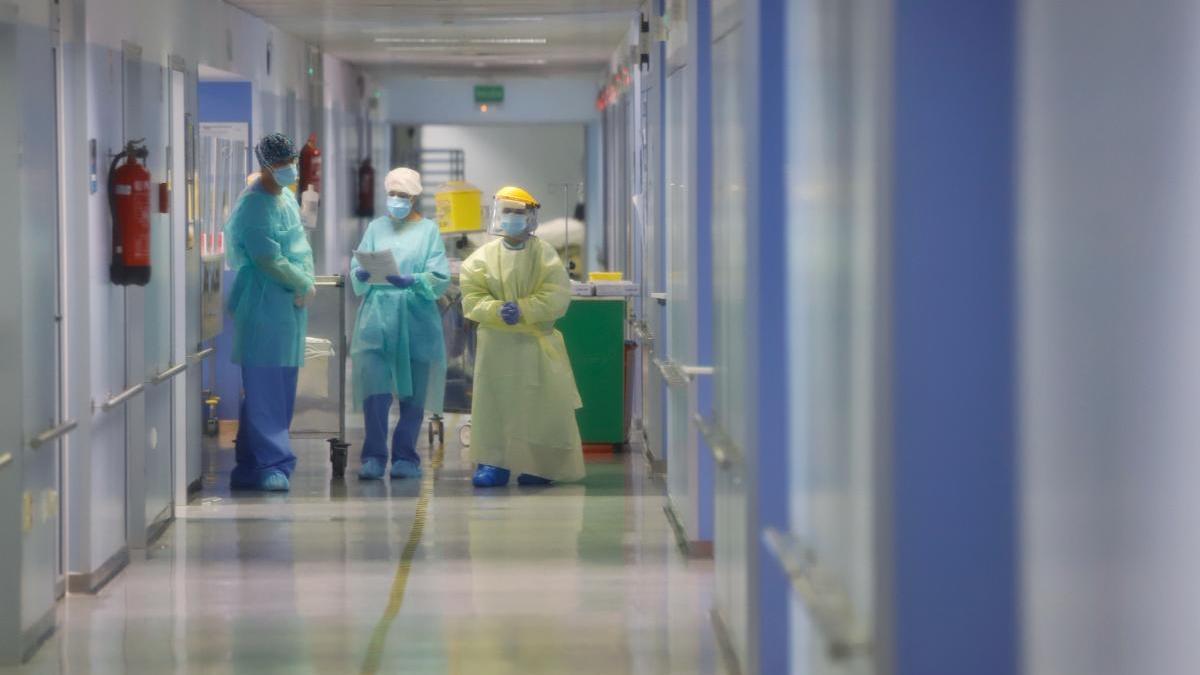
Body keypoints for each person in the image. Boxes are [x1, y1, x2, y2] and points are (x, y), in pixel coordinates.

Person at [460, 186, 585, 487]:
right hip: (496, 345)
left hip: (533, 342)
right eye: (507, 212)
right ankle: (494, 463)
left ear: (530, 217)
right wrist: (495, 309)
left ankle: (539, 466)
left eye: (519, 212)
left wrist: (525, 309)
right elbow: (472, 297)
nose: (513, 218)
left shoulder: (544, 255)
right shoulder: (483, 258)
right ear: (497, 215)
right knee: (494, 405)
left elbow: (557, 295)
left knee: (538, 406)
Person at [224, 133, 315, 491]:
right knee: (264, 393)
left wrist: (303, 282)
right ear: (264, 166)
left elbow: (298, 244)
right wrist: (300, 283)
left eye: (291, 162)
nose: (289, 170)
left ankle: (249, 465)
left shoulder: (286, 199)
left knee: (278, 389)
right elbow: (267, 258)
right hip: (264, 305)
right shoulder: (252, 207)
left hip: (288, 308)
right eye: (281, 165)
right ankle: (273, 464)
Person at [350, 168, 450, 480]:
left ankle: (406, 456)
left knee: (413, 396)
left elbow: (439, 277)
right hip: (377, 318)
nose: (397, 201)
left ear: (415, 197)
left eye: (404, 196)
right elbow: (357, 264)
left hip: (415, 318)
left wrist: (413, 280)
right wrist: (361, 273)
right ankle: (374, 456)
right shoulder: (376, 228)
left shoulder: (429, 231)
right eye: (393, 195)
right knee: (375, 391)